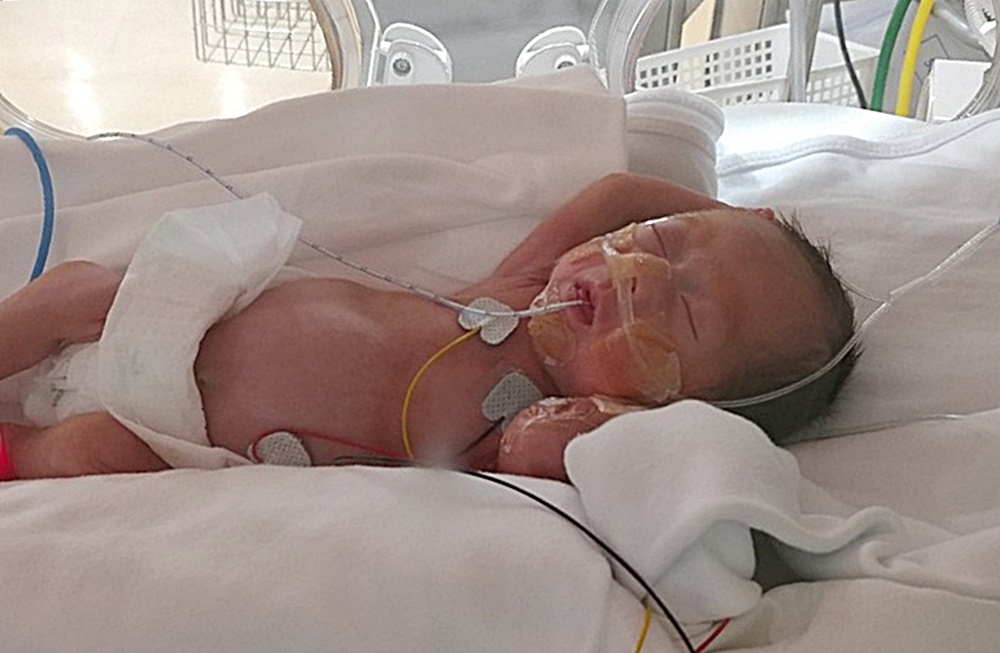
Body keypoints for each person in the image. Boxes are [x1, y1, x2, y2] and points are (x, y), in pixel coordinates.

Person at [0, 173, 857, 483]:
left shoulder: (538, 426)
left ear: (679, 407)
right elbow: (615, 195)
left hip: (180, 433)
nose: (633, 278)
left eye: (686, 314)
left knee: (87, 454)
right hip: (185, 314)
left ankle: (15, 452)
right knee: (79, 293)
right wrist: (735, 219)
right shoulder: (517, 289)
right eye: (659, 247)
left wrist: (605, 427)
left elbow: (539, 456)